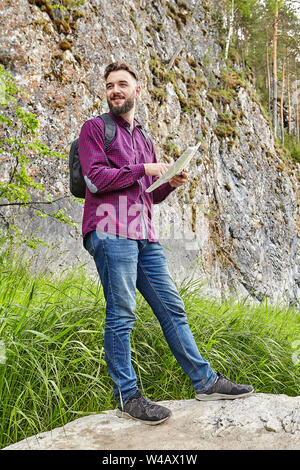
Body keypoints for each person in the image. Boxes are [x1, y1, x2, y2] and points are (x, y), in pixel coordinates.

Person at [78, 62, 253, 425]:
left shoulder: (143, 137)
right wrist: (145, 169)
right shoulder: (94, 129)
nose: (115, 90)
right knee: (122, 313)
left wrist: (169, 182)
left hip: (144, 235)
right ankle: (128, 396)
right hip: (110, 231)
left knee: (173, 310)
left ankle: (205, 382)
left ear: (137, 91)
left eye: (122, 84)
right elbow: (95, 179)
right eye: (110, 85)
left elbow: (147, 195)